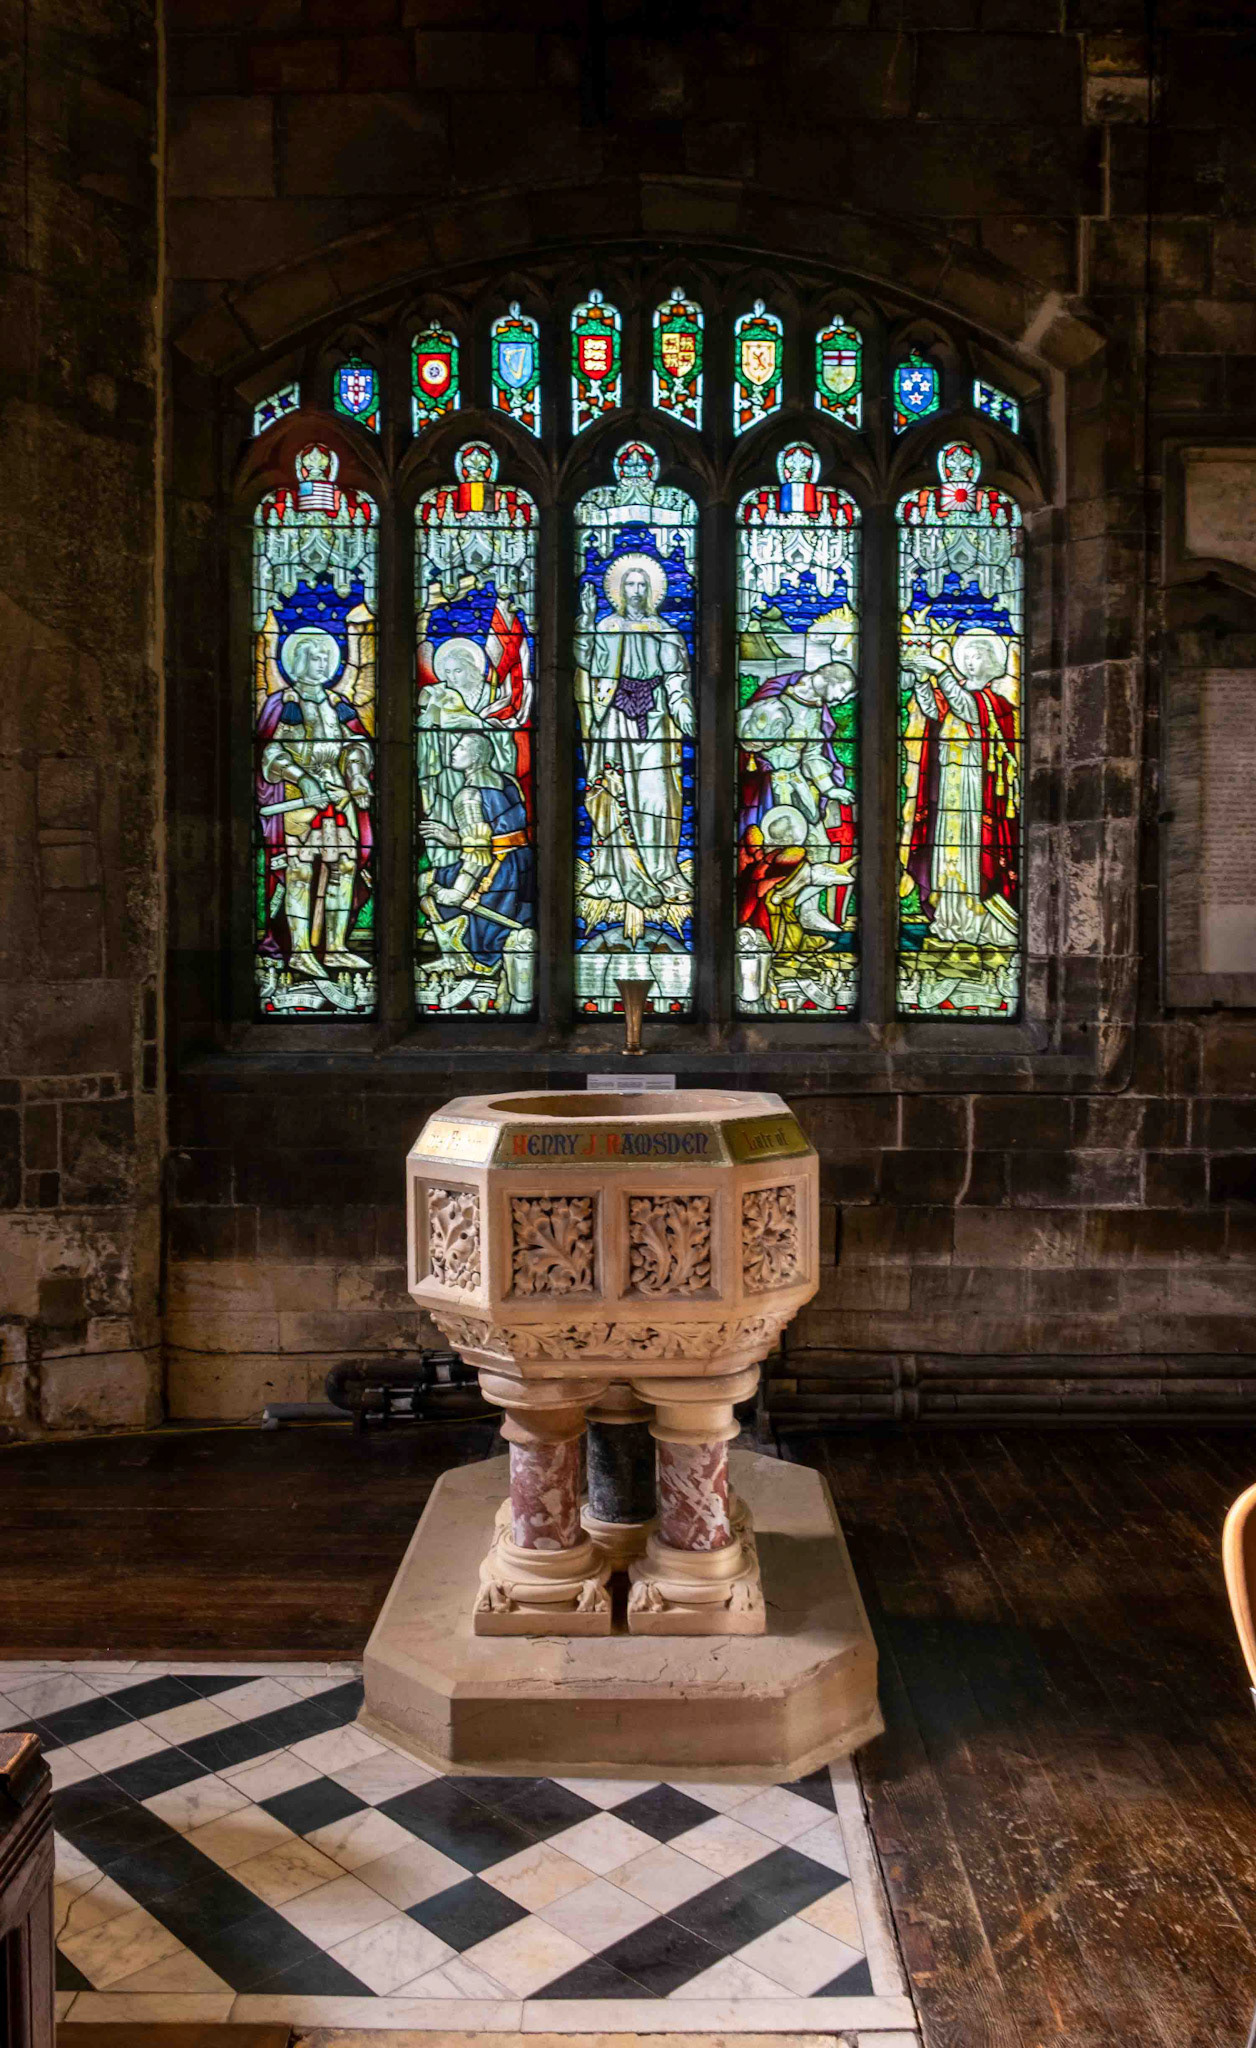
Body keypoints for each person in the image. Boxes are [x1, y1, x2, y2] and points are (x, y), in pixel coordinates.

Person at [574, 553, 693, 942]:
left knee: (660, 800)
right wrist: (586, 620)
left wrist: (684, 712)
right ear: (620, 590)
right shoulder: (604, 626)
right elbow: (585, 662)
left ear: (653, 591)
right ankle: (611, 873)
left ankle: (661, 869)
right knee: (613, 795)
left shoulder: (667, 632)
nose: (637, 590)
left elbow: (676, 681)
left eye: (643, 584)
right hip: (615, 718)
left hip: (657, 719)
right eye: (630, 584)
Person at [257, 622, 373, 979]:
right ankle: (301, 950)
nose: (321, 664)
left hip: (336, 796)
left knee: (345, 867)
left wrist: (354, 776)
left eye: (326, 658)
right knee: (301, 871)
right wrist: (302, 778)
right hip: (298, 800)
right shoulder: (286, 703)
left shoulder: (338, 704)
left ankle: (336, 947)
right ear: (296, 661)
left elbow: (356, 745)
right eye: (313, 657)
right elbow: (272, 752)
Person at [901, 624, 1019, 954]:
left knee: (970, 848)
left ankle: (980, 918)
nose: (970, 660)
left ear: (994, 662)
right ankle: (951, 918)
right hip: (949, 785)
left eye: (978, 655)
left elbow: (965, 707)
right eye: (966, 655)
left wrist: (939, 670)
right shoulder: (956, 695)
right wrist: (924, 680)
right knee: (946, 849)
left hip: (976, 789)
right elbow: (933, 710)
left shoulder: (993, 704)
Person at [420, 732, 534, 993]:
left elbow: (477, 852)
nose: (454, 750)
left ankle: (459, 958)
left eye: (461, 746)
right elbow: (500, 833)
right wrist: (453, 838)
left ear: (478, 756)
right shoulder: (508, 782)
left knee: (426, 884)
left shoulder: (468, 796)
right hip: (521, 867)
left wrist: (457, 893)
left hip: (495, 877)